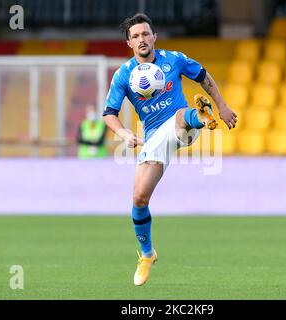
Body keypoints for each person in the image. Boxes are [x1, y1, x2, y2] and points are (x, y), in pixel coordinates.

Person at [103, 13, 237, 286]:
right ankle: (147, 254)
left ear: (154, 37)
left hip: (181, 124)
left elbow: (203, 76)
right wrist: (124, 132)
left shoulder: (173, 59)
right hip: (153, 138)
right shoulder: (124, 75)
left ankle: (201, 116)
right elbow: (109, 113)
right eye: (135, 36)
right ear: (129, 43)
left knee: (180, 119)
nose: (141, 39)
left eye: (145, 34)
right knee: (139, 199)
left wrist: (222, 106)